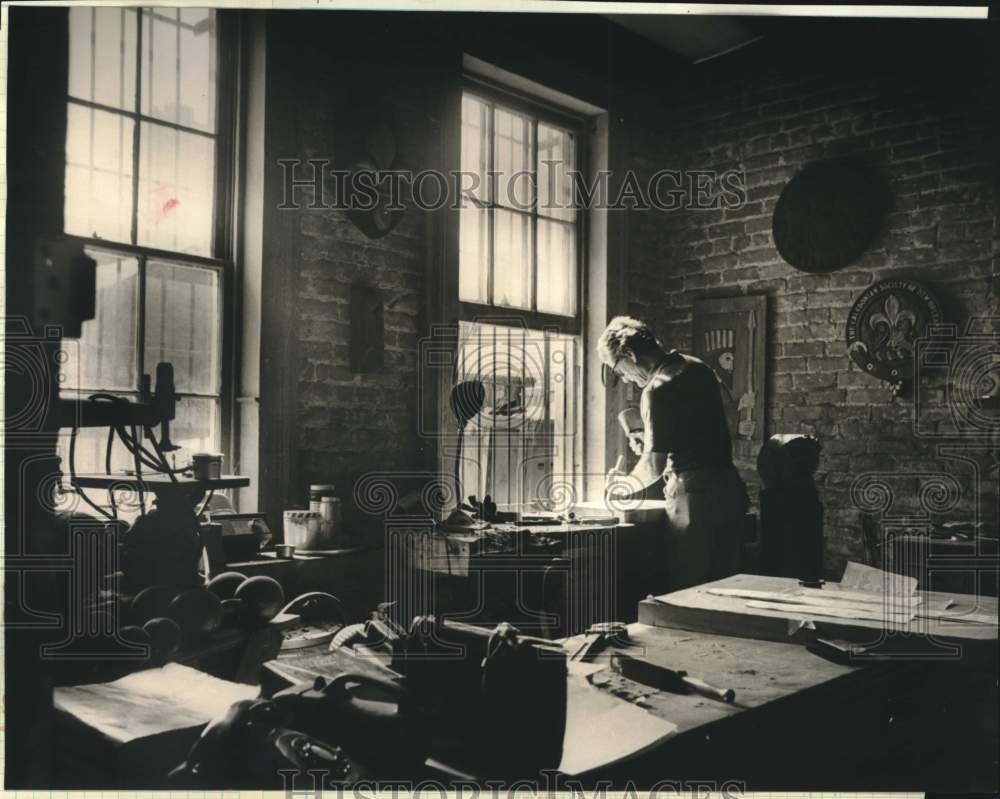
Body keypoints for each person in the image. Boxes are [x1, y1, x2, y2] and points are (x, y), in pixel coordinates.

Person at [598, 316, 749, 592]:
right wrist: (655, 441)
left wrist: (623, 486)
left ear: (629, 354)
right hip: (728, 489)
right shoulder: (697, 366)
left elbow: (654, 466)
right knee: (724, 591)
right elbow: (702, 429)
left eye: (619, 370)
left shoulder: (656, 389)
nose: (626, 379)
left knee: (689, 594)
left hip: (694, 498)